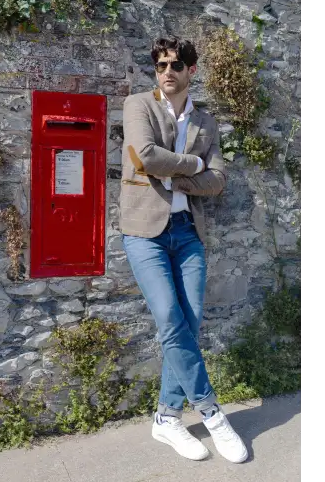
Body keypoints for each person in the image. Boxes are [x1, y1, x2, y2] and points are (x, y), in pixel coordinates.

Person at [119, 36, 248, 463]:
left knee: (188, 325)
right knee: (171, 320)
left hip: (187, 232)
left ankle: (167, 416)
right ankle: (212, 413)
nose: (167, 72)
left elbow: (218, 181)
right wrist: (194, 165)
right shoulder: (139, 105)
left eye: (175, 65)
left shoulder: (206, 122)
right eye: (161, 66)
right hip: (144, 233)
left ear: (191, 70)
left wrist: (178, 179)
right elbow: (146, 157)